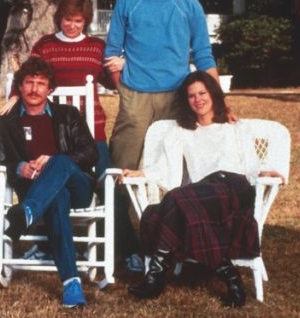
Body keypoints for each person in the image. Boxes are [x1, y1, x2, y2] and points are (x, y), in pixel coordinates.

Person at [102, 0, 220, 270]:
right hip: (136, 97)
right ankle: (126, 248)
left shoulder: (189, 6)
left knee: (176, 173)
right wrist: (124, 89)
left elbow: (204, 54)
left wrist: (218, 101)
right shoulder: (128, 3)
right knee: (120, 169)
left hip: (178, 97)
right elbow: (112, 54)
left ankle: (174, 247)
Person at [120, 71, 285, 308]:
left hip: (233, 187)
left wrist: (267, 172)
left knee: (170, 203)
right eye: (191, 96)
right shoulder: (181, 131)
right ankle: (230, 277)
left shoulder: (234, 127)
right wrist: (141, 173)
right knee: (180, 201)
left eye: (202, 93)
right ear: (185, 101)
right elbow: (167, 168)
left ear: (213, 94)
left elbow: (252, 164)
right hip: (200, 194)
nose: (198, 99)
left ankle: (156, 274)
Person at [0, 57, 98, 309]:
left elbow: (92, 153)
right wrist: (20, 168)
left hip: (78, 186)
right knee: (56, 198)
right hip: (39, 190)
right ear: (20, 86)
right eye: (29, 82)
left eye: (41, 83)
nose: (34, 88)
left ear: (50, 88)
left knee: (58, 162)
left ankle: (28, 211)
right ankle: (71, 283)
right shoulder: (6, 121)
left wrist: (55, 161)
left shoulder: (68, 114)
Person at [1, 0, 115, 177]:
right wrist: (15, 94)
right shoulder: (46, 45)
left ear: (85, 21)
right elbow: (29, 73)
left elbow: (110, 81)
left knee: (105, 177)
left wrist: (121, 66)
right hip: (54, 124)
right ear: (59, 18)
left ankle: (107, 202)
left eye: (78, 21)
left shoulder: (96, 47)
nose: (72, 25)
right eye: (67, 19)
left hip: (91, 121)